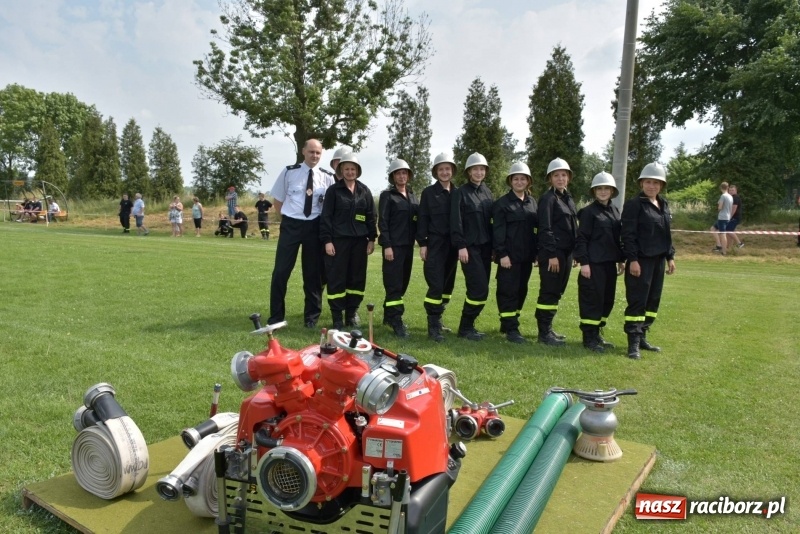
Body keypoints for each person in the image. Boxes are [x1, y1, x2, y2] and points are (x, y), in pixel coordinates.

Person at [268, 138, 335, 327]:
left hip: (315, 226)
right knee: (281, 271)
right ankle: (276, 317)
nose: (314, 155)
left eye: (318, 153)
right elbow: (278, 201)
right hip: (291, 225)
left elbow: (329, 208)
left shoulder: (327, 177)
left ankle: (311, 318)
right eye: (311, 151)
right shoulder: (289, 172)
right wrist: (287, 221)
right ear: (303, 151)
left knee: (313, 275)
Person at [622, 162, 676, 360]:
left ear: (661, 185)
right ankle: (633, 344)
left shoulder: (663, 204)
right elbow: (627, 235)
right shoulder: (634, 205)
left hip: (658, 261)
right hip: (640, 261)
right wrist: (633, 259)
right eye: (648, 182)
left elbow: (666, 235)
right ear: (641, 183)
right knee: (638, 300)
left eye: (656, 183)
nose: (652, 186)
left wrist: (670, 257)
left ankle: (643, 336)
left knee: (653, 300)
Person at [320, 152, 377, 330]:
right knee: (337, 278)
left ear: (357, 171)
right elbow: (326, 217)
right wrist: (327, 241)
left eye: (353, 169)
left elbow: (371, 216)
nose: (350, 172)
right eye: (346, 169)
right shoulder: (333, 191)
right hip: (338, 242)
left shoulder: (364, 191)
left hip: (360, 243)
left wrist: (372, 239)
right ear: (341, 170)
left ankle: (351, 314)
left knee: (357, 278)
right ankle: (337, 316)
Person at [574, 172, 624, 353]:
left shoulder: (615, 211)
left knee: (606, 300)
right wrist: (584, 263)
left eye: (606, 188)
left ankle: (597, 334)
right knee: (592, 300)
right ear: (594, 191)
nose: (603, 191)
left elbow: (617, 239)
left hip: (609, 264)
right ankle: (589, 338)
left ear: (612, 191)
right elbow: (581, 239)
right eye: (599, 188)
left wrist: (621, 259)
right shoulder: (588, 212)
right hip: (593, 264)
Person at [492, 162, 538, 344]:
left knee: (521, 291)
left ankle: (509, 322)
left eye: (523, 179)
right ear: (510, 181)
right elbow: (498, 232)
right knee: (507, 291)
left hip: (526, 258)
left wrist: (536, 253)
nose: (519, 182)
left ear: (528, 182)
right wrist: (502, 254)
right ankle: (511, 328)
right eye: (516, 179)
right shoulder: (502, 204)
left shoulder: (532, 202)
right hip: (508, 258)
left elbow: (535, 230)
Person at [451, 152, 494, 341]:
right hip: (469, 249)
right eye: (475, 169)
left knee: (483, 289)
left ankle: (469, 326)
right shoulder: (460, 193)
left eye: (482, 169)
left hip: (486, 249)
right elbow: (456, 221)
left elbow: (492, 223)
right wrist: (461, 246)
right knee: (478, 288)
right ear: (469, 172)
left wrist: (494, 249)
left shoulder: (487, 193)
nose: (479, 172)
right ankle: (465, 327)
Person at [535, 157, 578, 346]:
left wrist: (574, 253)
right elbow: (545, 228)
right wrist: (551, 254)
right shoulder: (548, 199)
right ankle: (544, 333)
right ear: (550, 179)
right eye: (556, 175)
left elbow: (573, 227)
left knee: (557, 291)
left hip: (566, 254)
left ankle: (549, 328)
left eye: (563, 175)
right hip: (553, 254)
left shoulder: (568, 198)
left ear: (568, 177)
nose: (560, 178)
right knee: (549, 290)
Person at [417, 152, 459, 343]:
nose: (444, 172)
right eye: (441, 169)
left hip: (453, 246)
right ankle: (432, 326)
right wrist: (423, 244)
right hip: (435, 244)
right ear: (436, 172)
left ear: (452, 171)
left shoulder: (458, 192)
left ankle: (439, 319)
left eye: (447, 169)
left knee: (447, 286)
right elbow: (423, 219)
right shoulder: (429, 193)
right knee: (435, 285)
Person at [378, 159, 419, 338]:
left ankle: (388, 315)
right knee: (393, 284)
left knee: (402, 284)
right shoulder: (387, 196)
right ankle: (396, 321)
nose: (402, 176)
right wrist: (387, 245)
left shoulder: (413, 197)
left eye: (404, 173)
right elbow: (383, 222)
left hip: (408, 247)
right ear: (393, 176)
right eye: (398, 173)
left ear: (408, 176)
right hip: (393, 248)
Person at [711, 181, 733, 255]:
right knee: (713, 229)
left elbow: (720, 207)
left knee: (723, 234)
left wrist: (718, 208)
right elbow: (731, 208)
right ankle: (719, 245)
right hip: (728, 216)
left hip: (722, 217)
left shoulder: (723, 196)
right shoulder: (730, 196)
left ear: (721, 188)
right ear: (728, 188)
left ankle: (724, 252)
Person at [727, 184, 744, 249]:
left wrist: (729, 217)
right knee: (729, 231)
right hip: (734, 217)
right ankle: (729, 247)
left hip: (734, 217)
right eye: (730, 190)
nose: (731, 191)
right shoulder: (732, 197)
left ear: (736, 191)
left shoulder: (735, 197)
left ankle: (739, 243)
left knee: (728, 230)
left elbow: (734, 208)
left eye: (733, 190)